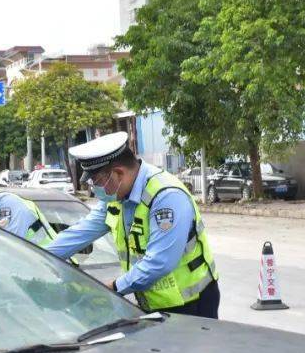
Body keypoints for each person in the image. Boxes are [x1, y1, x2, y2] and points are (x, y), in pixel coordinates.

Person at [45, 132, 220, 319]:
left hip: (191, 303)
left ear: (119, 173)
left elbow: (159, 262)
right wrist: (36, 255)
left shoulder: (166, 197)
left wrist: (112, 288)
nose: (95, 190)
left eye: (97, 183)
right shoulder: (116, 197)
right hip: (152, 303)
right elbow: (80, 233)